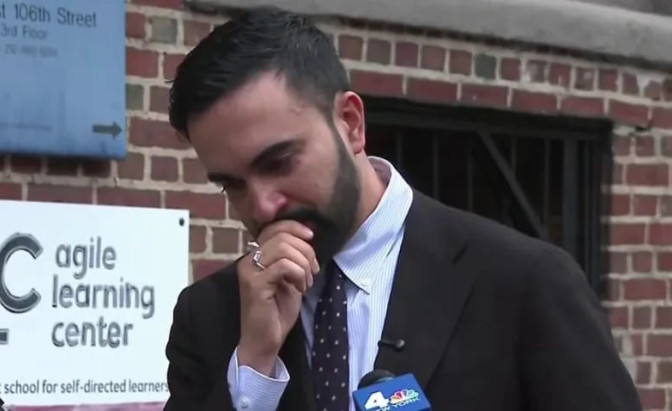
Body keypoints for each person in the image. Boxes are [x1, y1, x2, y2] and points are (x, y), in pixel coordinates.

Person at [162, 6, 642, 411]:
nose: (263, 205)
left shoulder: (522, 282)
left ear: (350, 123)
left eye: (279, 161)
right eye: (232, 185)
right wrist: (252, 371)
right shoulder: (210, 315)